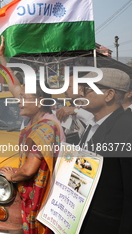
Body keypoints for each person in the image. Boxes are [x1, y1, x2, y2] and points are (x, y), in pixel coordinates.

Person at [0, 36, 65, 234]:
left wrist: (10, 176)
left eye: (25, 98)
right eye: (21, 97)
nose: (19, 101)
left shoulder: (46, 128)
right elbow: (13, 85)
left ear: (40, 101)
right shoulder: (33, 117)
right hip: (31, 194)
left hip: (41, 197)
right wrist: (2, 57)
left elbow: (28, 171)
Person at [76, 68, 132, 234]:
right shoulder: (92, 124)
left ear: (109, 95)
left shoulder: (127, 129)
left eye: (87, 88)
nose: (82, 93)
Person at [55, 74, 93, 144]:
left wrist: (76, 111)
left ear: (81, 89)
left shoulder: (92, 107)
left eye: (68, 87)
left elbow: (94, 122)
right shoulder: (67, 109)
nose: (65, 90)